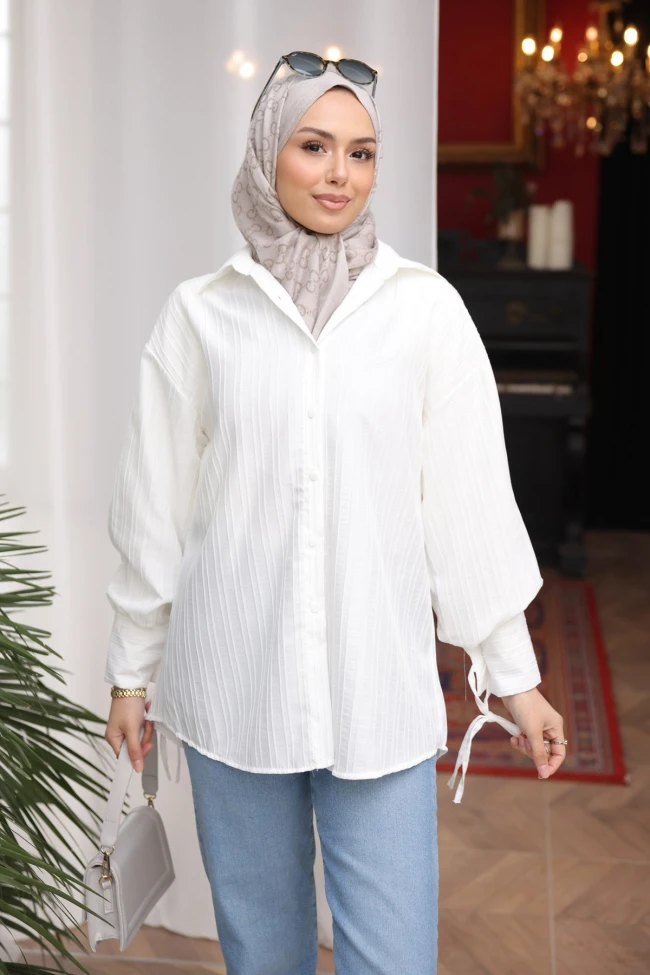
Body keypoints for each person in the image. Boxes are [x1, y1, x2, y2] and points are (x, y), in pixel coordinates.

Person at [103, 52, 566, 975]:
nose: (339, 174)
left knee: (394, 958)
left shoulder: (426, 311)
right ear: (267, 152)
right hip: (235, 686)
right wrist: (129, 672)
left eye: (361, 153)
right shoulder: (200, 316)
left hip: (377, 690)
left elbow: (467, 505)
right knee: (263, 955)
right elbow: (155, 505)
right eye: (314, 146)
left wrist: (514, 677)